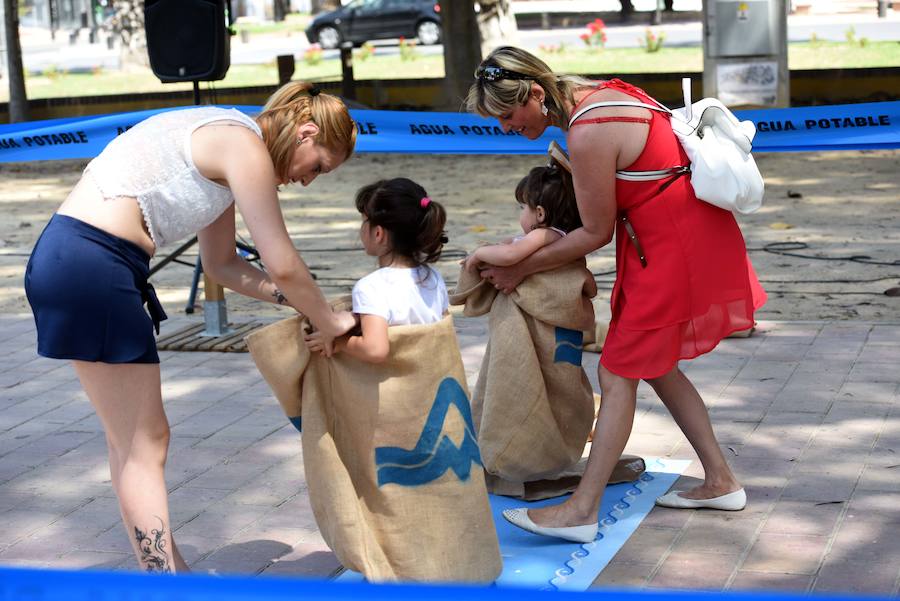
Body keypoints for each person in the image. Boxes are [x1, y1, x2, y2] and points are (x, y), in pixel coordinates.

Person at [23, 81, 358, 572]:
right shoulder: (241, 144)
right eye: (318, 168)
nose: (308, 181)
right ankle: (164, 580)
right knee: (145, 440)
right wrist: (331, 319)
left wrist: (301, 306)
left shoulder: (229, 145)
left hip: (76, 259)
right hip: (92, 261)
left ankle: (164, 572)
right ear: (306, 134)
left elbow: (223, 266)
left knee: (133, 440)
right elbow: (281, 261)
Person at [467, 46, 766, 543]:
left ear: (536, 94)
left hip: (672, 248)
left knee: (618, 369)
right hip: (675, 240)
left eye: (507, 113)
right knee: (656, 365)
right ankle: (720, 480)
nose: (504, 126)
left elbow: (594, 232)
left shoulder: (587, 129)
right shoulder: (602, 95)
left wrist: (520, 270)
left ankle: (581, 510)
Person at [306, 177, 449, 359]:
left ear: (378, 233)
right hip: (430, 377)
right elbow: (443, 329)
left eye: (364, 221)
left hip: (394, 385)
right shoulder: (434, 277)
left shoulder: (371, 287)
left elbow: (375, 350)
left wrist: (339, 342)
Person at [462, 163, 586, 281]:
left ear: (540, 214)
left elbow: (510, 254)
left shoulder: (543, 234)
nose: (521, 213)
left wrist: (479, 253)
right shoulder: (562, 238)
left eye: (522, 207)